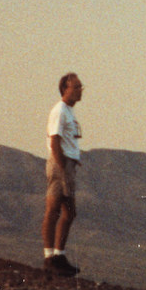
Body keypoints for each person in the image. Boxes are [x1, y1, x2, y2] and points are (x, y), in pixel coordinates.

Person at [42, 73, 84, 277]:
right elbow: (55, 139)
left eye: (80, 86)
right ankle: (50, 255)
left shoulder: (69, 112)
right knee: (55, 209)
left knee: (68, 212)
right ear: (65, 89)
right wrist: (62, 166)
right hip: (61, 164)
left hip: (67, 164)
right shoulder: (59, 111)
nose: (80, 90)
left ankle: (58, 254)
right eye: (76, 87)